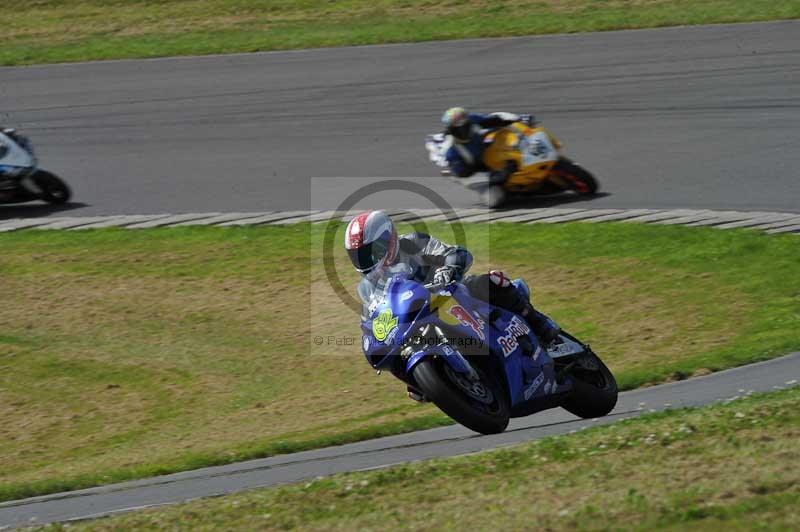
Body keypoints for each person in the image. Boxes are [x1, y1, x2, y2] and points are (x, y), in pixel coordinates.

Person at [345, 210, 559, 400]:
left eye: (370, 251)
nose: (366, 260)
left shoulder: (413, 243)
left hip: (449, 293)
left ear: (388, 240)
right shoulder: (366, 287)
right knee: (394, 350)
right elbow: (372, 316)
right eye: (359, 256)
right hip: (416, 320)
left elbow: (456, 252)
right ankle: (426, 380)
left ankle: (541, 325)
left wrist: (448, 268)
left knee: (491, 282)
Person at [440, 107, 532, 184]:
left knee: (502, 135)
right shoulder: (452, 152)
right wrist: (501, 173)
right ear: (451, 131)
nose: (463, 131)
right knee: (494, 197)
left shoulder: (472, 120)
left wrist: (518, 120)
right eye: (459, 129)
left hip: (484, 152)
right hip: (472, 169)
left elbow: (493, 120)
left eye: (465, 126)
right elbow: (464, 175)